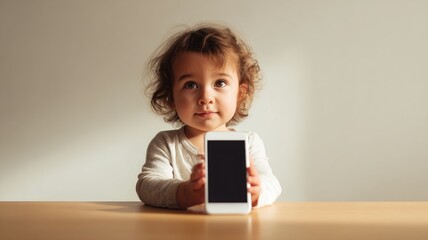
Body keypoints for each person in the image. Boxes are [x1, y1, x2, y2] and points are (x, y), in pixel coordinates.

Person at [136, 23, 282, 209]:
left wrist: (257, 192)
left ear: (240, 93)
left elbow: (272, 183)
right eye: (190, 85)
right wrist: (184, 193)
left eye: (220, 83)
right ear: (170, 96)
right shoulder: (166, 143)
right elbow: (146, 185)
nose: (205, 97)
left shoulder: (249, 142)